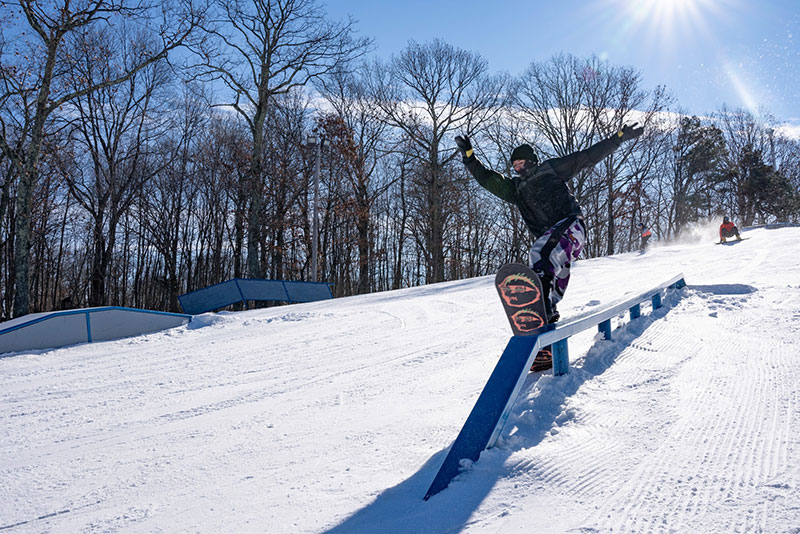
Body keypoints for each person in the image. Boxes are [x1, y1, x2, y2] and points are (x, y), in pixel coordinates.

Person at [456, 124, 643, 370]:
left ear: (532, 161)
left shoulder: (550, 170)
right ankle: (546, 331)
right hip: (553, 239)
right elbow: (489, 180)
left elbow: (586, 157)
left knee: (540, 254)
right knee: (550, 273)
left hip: (571, 226)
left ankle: (545, 307)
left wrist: (618, 139)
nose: (518, 169)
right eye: (514, 166)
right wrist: (470, 159)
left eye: (521, 163)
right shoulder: (516, 189)